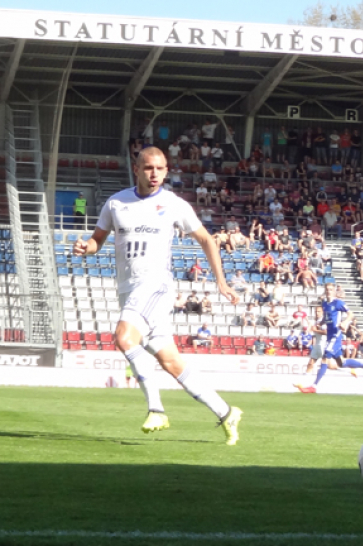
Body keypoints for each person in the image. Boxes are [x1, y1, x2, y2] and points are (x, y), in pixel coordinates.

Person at [73, 146, 243, 446]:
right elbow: (97, 241)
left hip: (156, 285)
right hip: (128, 289)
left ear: (166, 171)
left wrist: (221, 281)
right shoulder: (116, 203)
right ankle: (226, 412)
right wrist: (85, 247)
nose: (155, 174)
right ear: (136, 168)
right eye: (149, 168)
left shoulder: (173, 204)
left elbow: (206, 239)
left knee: (124, 337)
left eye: (161, 168)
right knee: (171, 361)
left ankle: (157, 409)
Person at [294, 284, 363, 393]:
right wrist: (320, 323)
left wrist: (345, 322)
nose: (329, 291)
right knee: (341, 363)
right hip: (329, 336)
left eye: (331, 290)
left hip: (336, 335)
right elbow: (327, 317)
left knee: (325, 358)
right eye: (327, 289)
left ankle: (314, 386)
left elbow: (350, 314)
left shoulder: (338, 303)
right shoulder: (324, 304)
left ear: (334, 292)